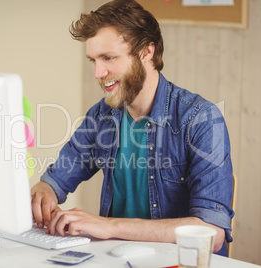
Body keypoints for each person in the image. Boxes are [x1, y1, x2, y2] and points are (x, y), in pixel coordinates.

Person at [31, 0, 234, 256]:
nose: (98, 72)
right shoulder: (101, 116)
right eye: (93, 60)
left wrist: (109, 226)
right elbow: (55, 180)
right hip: (119, 258)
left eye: (108, 58)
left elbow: (211, 233)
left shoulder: (201, 119)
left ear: (146, 52)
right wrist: (43, 193)